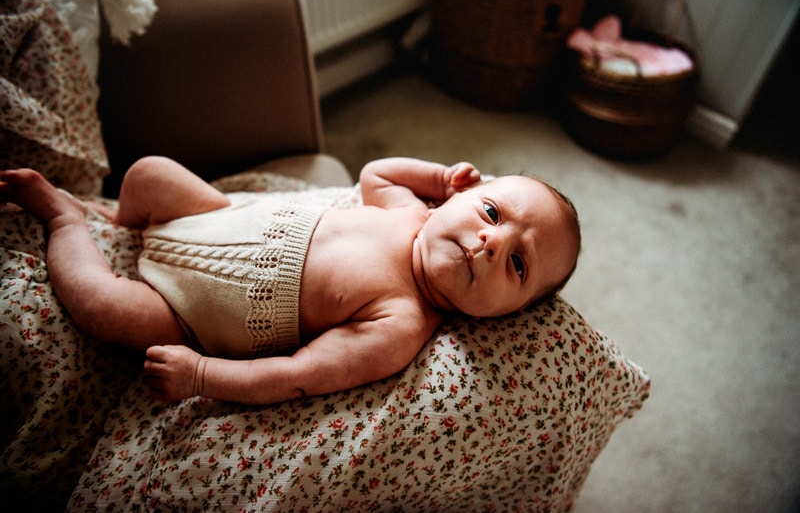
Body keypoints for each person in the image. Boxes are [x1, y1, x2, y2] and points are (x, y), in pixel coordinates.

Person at [0, 156, 580, 405]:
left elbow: (299, 375)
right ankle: (121, 222)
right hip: (207, 214)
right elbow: (373, 172)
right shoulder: (408, 212)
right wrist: (434, 174)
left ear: (509, 314)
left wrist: (203, 373)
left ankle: (64, 220)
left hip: (186, 312)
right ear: (461, 196)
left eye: (518, 264)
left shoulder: (402, 324)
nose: (493, 242)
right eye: (491, 212)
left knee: (101, 308)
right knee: (149, 173)